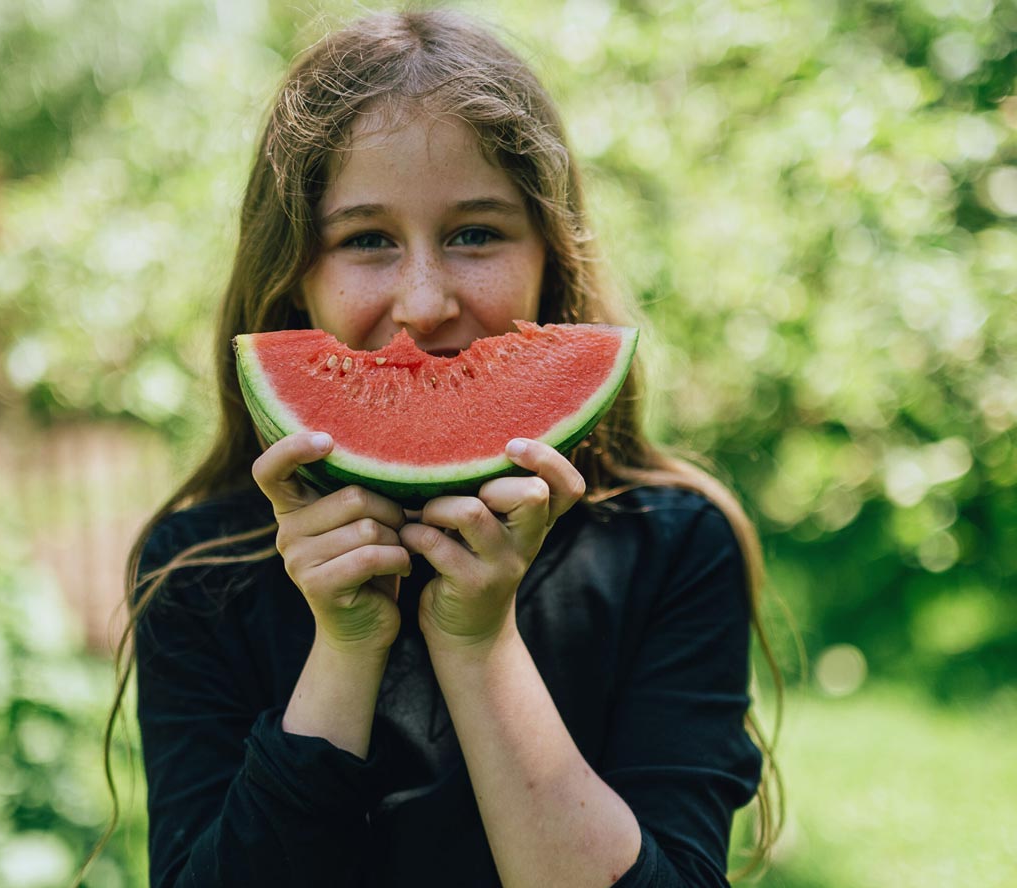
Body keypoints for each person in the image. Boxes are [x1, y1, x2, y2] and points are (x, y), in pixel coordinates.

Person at [103, 9, 783, 888]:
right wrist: (344, 652)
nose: (424, 302)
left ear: (552, 255)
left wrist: (478, 642)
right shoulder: (198, 568)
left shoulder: (673, 544)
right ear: (293, 277)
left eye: (475, 233)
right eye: (366, 240)